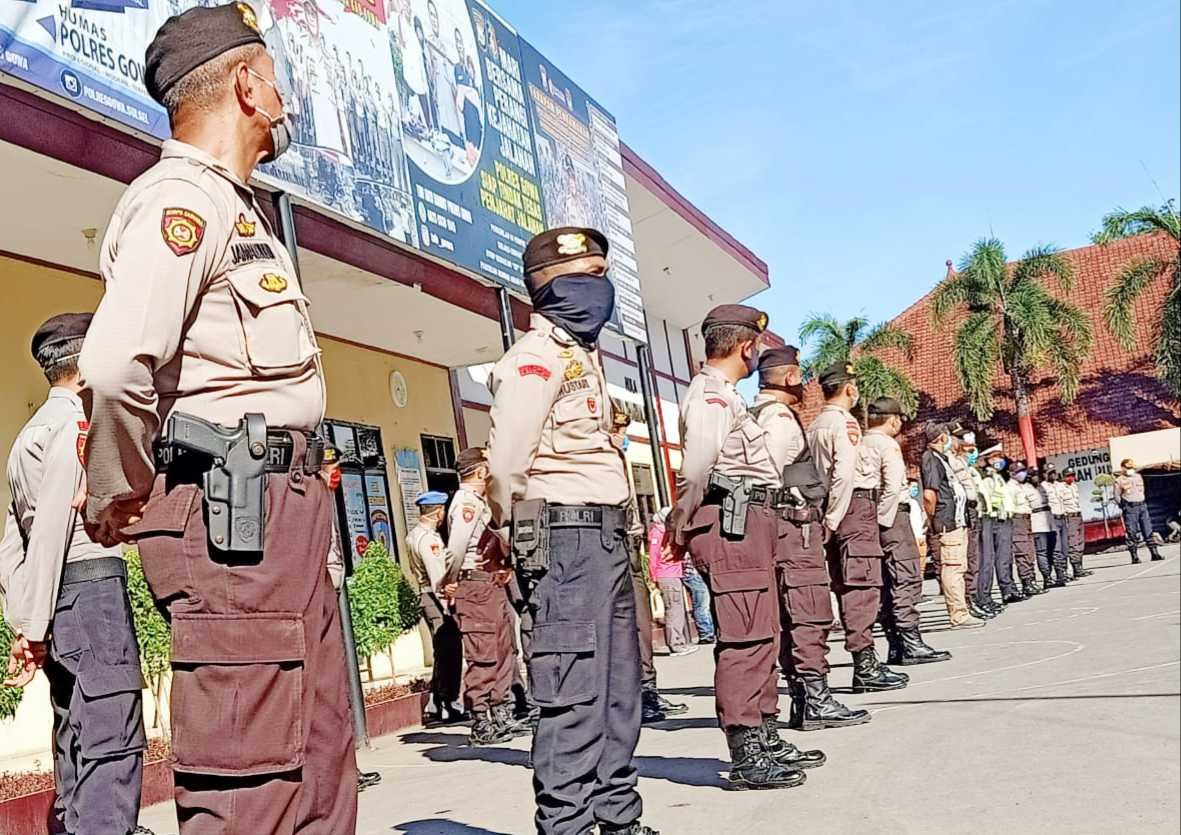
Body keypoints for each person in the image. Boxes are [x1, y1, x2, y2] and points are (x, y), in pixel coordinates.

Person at [78, 6, 357, 831]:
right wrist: (121, 488)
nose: (284, 96)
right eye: (274, 77)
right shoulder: (180, 203)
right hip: (234, 518)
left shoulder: (239, 211)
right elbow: (114, 365)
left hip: (280, 513)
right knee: (253, 779)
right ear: (245, 85)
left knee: (319, 762)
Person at [485, 227, 657, 835]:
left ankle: (617, 816)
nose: (600, 288)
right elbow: (506, 463)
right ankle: (568, 826)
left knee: (619, 690)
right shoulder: (533, 359)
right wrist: (509, 530)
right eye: (587, 275)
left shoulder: (582, 357)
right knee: (575, 695)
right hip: (565, 538)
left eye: (603, 274)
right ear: (548, 286)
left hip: (606, 536)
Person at [1, 313, 146, 835]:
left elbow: (12, 540)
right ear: (85, 370)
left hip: (61, 604)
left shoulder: (27, 436)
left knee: (77, 737)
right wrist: (34, 628)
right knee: (112, 741)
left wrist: (26, 619)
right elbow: (54, 524)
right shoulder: (76, 427)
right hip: (91, 591)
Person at [668, 305, 815, 791]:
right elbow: (697, 469)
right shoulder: (710, 396)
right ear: (747, 347)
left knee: (763, 632)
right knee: (744, 637)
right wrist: (681, 522)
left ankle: (766, 733)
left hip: (751, 521)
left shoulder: (726, 396)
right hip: (731, 522)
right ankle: (746, 749)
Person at [751, 346, 867, 730]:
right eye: (800, 375)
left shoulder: (756, 414)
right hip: (794, 528)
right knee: (809, 612)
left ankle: (805, 700)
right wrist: (830, 521)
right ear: (789, 378)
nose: (803, 384)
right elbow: (768, 478)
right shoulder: (779, 419)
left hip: (782, 527)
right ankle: (815, 700)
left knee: (792, 615)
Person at [807, 363, 908, 692]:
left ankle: (866, 662)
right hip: (853, 508)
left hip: (833, 507)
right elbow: (844, 475)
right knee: (862, 587)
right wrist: (834, 517)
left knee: (847, 584)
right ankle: (865, 665)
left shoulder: (816, 424)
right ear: (849, 389)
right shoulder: (845, 422)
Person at [609, 406, 686, 725]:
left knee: (640, 623)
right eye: (617, 430)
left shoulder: (618, 459)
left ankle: (647, 690)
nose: (622, 437)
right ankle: (630, 697)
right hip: (610, 549)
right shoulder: (594, 461)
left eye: (623, 431)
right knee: (622, 628)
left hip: (629, 550)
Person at [447, 448, 529, 745]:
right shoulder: (466, 503)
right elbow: (456, 548)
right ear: (481, 471)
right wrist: (448, 581)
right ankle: (481, 719)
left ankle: (501, 711)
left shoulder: (482, 501)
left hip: (491, 583)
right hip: (475, 584)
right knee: (483, 654)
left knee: (504, 649)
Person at [861, 397, 951, 665]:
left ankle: (895, 644)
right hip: (892, 517)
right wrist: (885, 520)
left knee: (886, 583)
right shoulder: (887, 444)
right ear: (893, 420)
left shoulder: (863, 442)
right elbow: (891, 488)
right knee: (906, 576)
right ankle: (911, 642)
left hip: (869, 516)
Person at [920, 422, 985, 629]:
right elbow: (929, 495)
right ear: (942, 437)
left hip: (957, 519)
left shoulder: (942, 457)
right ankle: (958, 613)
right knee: (953, 567)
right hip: (946, 520)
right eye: (948, 436)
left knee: (960, 565)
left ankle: (962, 609)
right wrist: (933, 518)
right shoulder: (930, 458)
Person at [409, 491, 465, 726]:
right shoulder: (429, 540)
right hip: (435, 598)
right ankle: (448, 704)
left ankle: (436, 703)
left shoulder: (414, 535)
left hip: (426, 596)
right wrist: (448, 602)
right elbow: (437, 576)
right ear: (439, 512)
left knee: (441, 652)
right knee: (450, 652)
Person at [977, 446, 1023, 605]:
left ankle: (1008, 589)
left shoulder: (998, 476)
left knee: (1005, 556)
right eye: (996, 457)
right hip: (990, 519)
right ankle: (985, 596)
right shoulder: (983, 476)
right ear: (988, 459)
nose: (1000, 461)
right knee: (988, 559)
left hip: (1003, 518)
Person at [648, 509, 695, 655]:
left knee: (677, 609)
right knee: (674, 610)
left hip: (672, 574)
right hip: (667, 575)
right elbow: (653, 557)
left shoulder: (665, 532)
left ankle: (680, 641)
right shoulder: (658, 533)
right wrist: (654, 578)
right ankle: (676, 644)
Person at [1114, 458, 1164, 563]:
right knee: (1132, 532)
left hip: (1142, 505)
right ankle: (1134, 556)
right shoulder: (1119, 480)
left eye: (1131, 468)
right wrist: (1124, 506)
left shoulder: (1138, 477)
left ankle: (1154, 553)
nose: (1130, 470)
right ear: (1122, 468)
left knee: (1148, 529)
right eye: (1128, 468)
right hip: (1130, 507)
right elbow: (1117, 495)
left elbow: (1142, 491)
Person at [1006, 463, 1043, 595]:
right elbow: (1010, 508)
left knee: (1029, 551)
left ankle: (1032, 580)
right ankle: (1026, 582)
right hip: (1017, 520)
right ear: (1012, 474)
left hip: (1026, 520)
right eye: (1018, 471)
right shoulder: (1010, 488)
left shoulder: (1022, 486)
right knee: (1022, 551)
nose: (1022, 474)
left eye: (1023, 471)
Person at [1026, 468, 1062, 589]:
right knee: (1042, 551)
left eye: (1036, 475)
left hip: (1049, 521)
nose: (1035, 477)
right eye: (1033, 475)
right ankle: (1047, 577)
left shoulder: (1042, 487)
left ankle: (1059, 574)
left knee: (1054, 548)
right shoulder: (1025, 489)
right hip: (1037, 523)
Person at [1042, 466, 1074, 583]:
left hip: (1062, 517)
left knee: (1065, 547)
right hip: (1052, 519)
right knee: (1057, 548)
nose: (1053, 475)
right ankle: (1059, 574)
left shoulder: (1060, 485)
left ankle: (1065, 571)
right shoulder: (1042, 487)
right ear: (1044, 474)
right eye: (1050, 473)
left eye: (1054, 472)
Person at [1060, 467, 1093, 578]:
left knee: (1080, 542)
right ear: (1064, 477)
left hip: (1078, 515)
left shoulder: (1074, 486)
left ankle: (1080, 565)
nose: (1071, 478)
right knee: (1073, 542)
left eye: (1072, 475)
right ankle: (1076, 568)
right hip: (1069, 516)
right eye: (1068, 476)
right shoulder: (1061, 488)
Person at [680, 553, 716, 645]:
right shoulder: (690, 547)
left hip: (693, 575)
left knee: (702, 605)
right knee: (702, 606)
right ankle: (706, 634)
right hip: (694, 575)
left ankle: (708, 633)